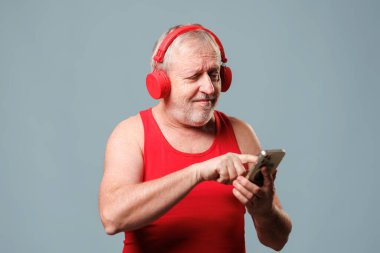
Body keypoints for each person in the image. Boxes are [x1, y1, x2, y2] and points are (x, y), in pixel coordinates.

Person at [98, 24, 292, 253]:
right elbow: (112, 218)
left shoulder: (240, 132)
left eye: (214, 74)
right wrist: (197, 172)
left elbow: (277, 241)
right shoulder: (131, 134)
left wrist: (265, 211)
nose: (209, 88)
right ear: (161, 82)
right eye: (193, 77)